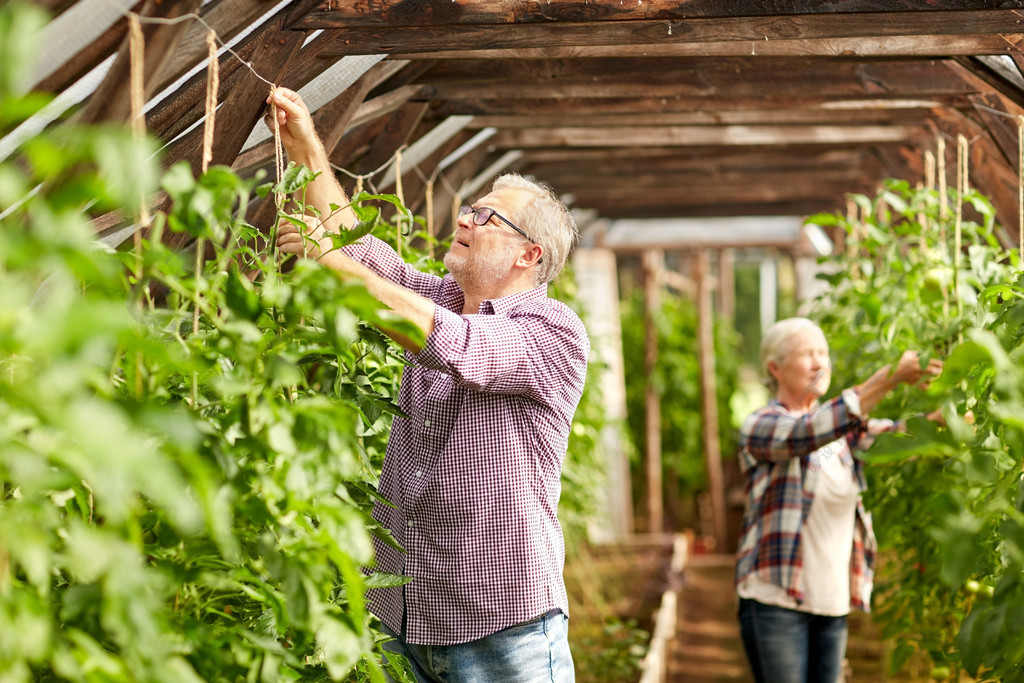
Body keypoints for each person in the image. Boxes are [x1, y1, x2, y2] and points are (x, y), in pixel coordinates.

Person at [265, 88, 587, 683]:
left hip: (503, 627)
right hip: (407, 616)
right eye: (470, 207)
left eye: (487, 216)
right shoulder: (444, 299)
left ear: (528, 254)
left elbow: (456, 346)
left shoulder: (553, 333)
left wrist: (333, 265)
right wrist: (307, 146)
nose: (465, 218)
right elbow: (358, 249)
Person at [735, 317, 943, 683]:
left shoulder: (842, 437)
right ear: (775, 368)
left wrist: (946, 419)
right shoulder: (762, 425)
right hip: (777, 601)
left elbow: (894, 437)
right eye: (807, 354)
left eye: (823, 353)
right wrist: (889, 377)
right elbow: (805, 434)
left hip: (831, 602)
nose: (820, 363)